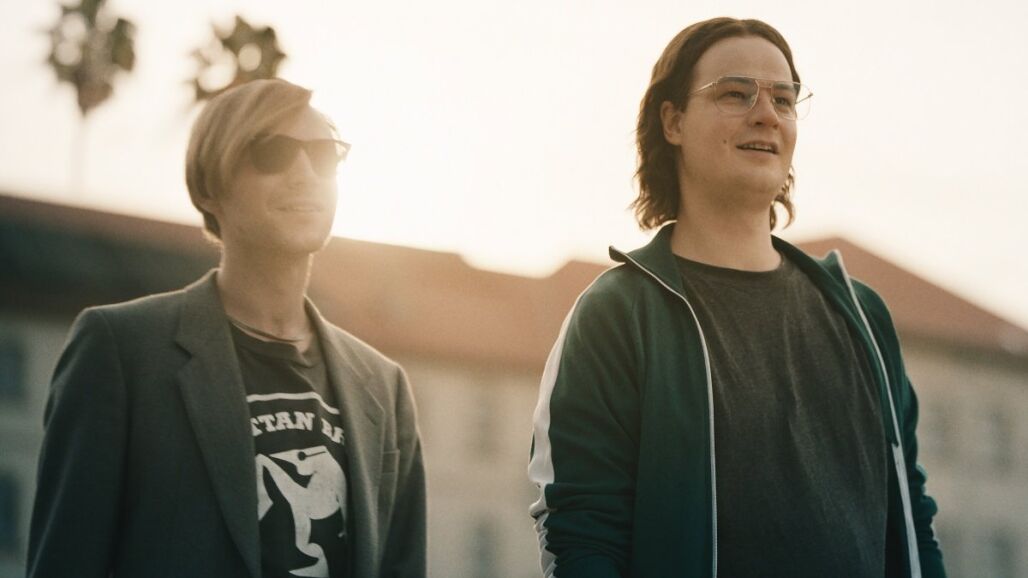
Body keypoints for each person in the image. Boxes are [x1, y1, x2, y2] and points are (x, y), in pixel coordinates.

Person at [528, 17, 945, 578]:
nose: (766, 114)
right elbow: (580, 534)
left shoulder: (861, 315)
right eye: (734, 93)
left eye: (784, 99)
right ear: (673, 121)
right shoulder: (618, 313)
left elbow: (913, 519)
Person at [28, 79, 426, 578]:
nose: (305, 172)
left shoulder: (384, 386)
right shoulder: (121, 349)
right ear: (210, 189)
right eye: (273, 152)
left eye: (324, 155)